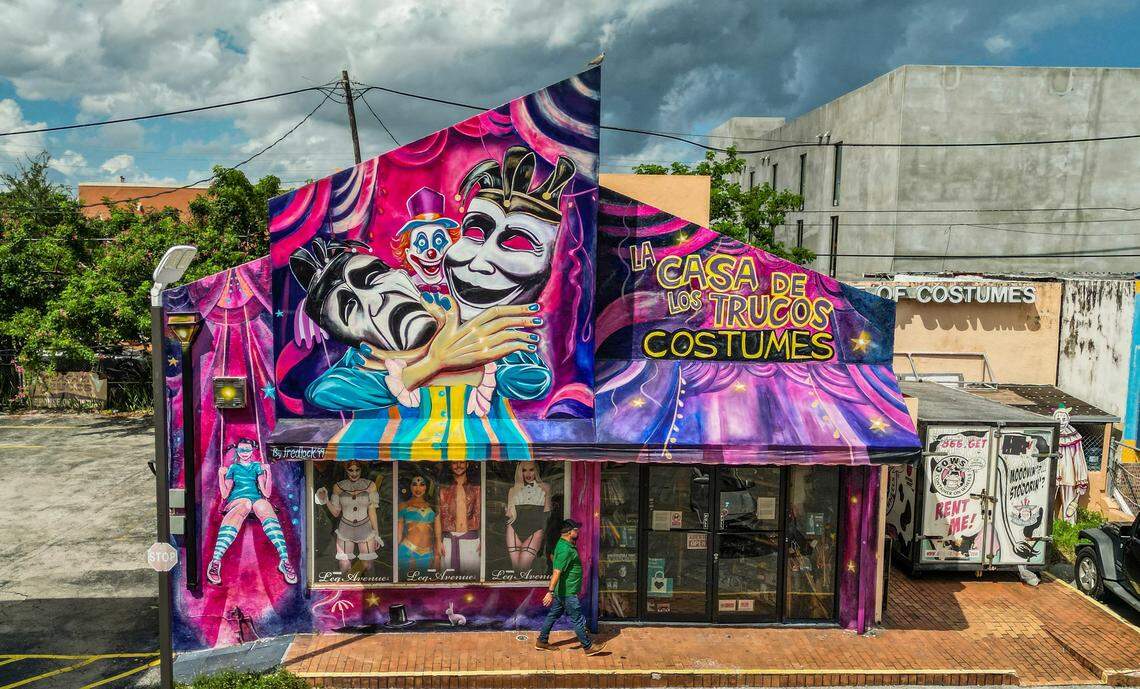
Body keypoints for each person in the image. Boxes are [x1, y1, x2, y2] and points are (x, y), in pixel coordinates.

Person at [206, 438, 297, 585]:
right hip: (237, 500)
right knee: (246, 504)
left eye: (247, 450)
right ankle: (216, 561)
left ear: (252, 450)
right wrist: (220, 475)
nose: (244, 453)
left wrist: (268, 474)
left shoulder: (257, 467)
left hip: (256, 499)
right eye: (241, 450)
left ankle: (285, 560)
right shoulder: (233, 468)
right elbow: (224, 494)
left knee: (264, 506)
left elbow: (266, 494)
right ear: (237, 451)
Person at [535, 519, 605, 655]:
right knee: (577, 619)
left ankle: (542, 641)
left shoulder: (564, 545)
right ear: (568, 532)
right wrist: (549, 592)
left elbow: (553, 557)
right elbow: (557, 571)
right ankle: (588, 647)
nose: (577, 532)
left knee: (552, 615)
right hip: (567, 592)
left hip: (563, 591)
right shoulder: (565, 549)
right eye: (576, 530)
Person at [314, 461, 382, 573]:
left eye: (357, 470)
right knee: (344, 565)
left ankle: (371, 590)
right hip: (345, 529)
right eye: (351, 470)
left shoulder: (370, 486)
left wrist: (376, 534)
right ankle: (346, 590)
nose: (354, 473)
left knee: (368, 565)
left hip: (365, 528)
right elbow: (336, 513)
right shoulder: (338, 487)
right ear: (346, 470)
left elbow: (372, 511)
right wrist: (325, 500)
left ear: (361, 470)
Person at [438, 461, 481, 577]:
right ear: (450, 465)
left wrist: (485, 540)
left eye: (461, 462)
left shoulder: (477, 489)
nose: (458, 465)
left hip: (471, 540)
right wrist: (438, 541)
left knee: (472, 582)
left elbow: (483, 513)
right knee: (448, 581)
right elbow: (437, 515)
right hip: (448, 540)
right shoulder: (443, 489)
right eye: (454, 462)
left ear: (467, 464)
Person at [506, 461, 551, 570]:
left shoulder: (545, 488)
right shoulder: (512, 490)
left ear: (536, 470)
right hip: (514, 529)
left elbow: (547, 514)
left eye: (531, 469)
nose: (528, 473)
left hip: (535, 530)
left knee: (523, 567)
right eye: (524, 470)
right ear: (519, 472)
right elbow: (509, 514)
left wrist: (545, 535)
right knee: (516, 568)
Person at [397, 474, 440, 575]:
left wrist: (437, 554)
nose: (418, 488)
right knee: (405, 587)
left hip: (428, 554)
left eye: (422, 484)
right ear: (410, 487)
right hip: (408, 551)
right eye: (414, 484)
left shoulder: (433, 507)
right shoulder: (403, 505)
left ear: (427, 487)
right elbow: (398, 533)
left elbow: (438, 534)